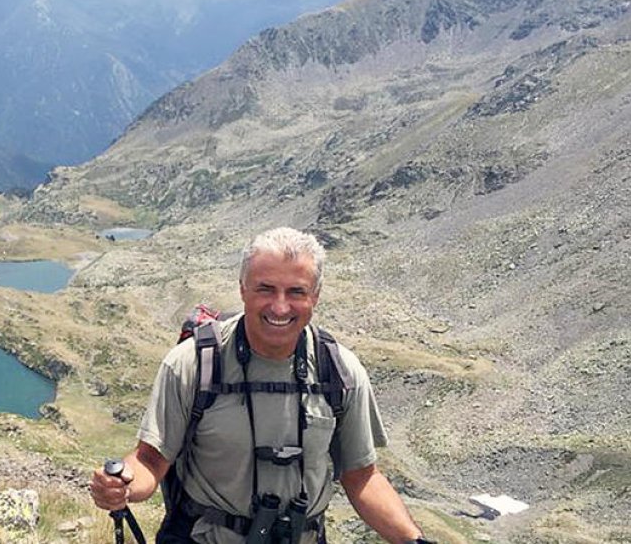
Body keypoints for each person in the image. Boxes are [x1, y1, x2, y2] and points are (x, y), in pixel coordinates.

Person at [90, 227, 433, 544]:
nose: (280, 306)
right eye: (265, 289)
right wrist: (122, 486)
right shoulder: (191, 364)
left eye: (296, 291)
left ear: (315, 295)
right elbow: (150, 459)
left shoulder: (340, 371)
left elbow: (361, 478)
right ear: (242, 288)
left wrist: (414, 541)